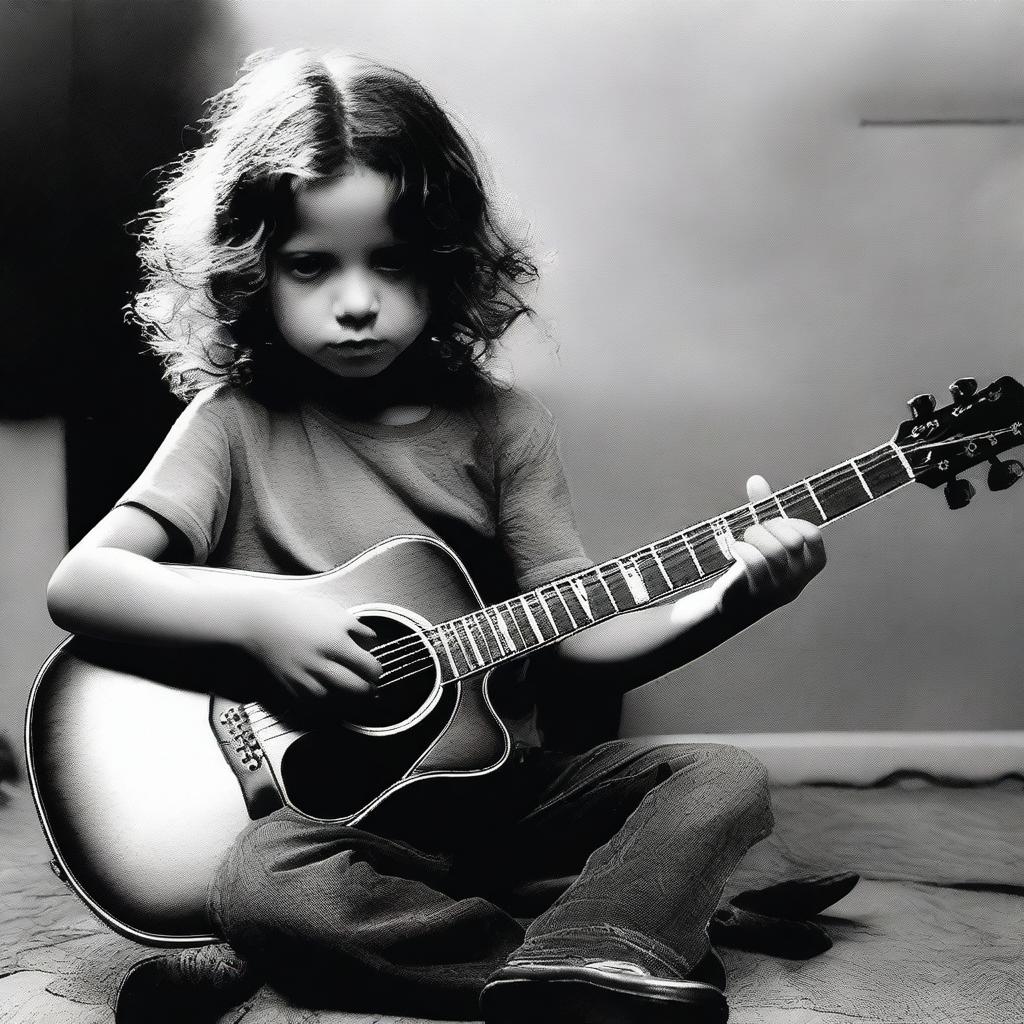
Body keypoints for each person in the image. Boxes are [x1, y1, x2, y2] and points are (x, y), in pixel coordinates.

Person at [46, 49, 832, 1024]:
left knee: (719, 775)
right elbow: (86, 581)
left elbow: (581, 633)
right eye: (310, 265)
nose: (357, 299)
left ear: (447, 262)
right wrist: (264, 617)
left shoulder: (499, 426)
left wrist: (729, 599)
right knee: (265, 886)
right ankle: (602, 948)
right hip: (332, 824)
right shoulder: (232, 422)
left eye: (393, 261)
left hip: (504, 794)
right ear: (252, 272)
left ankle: (579, 939)